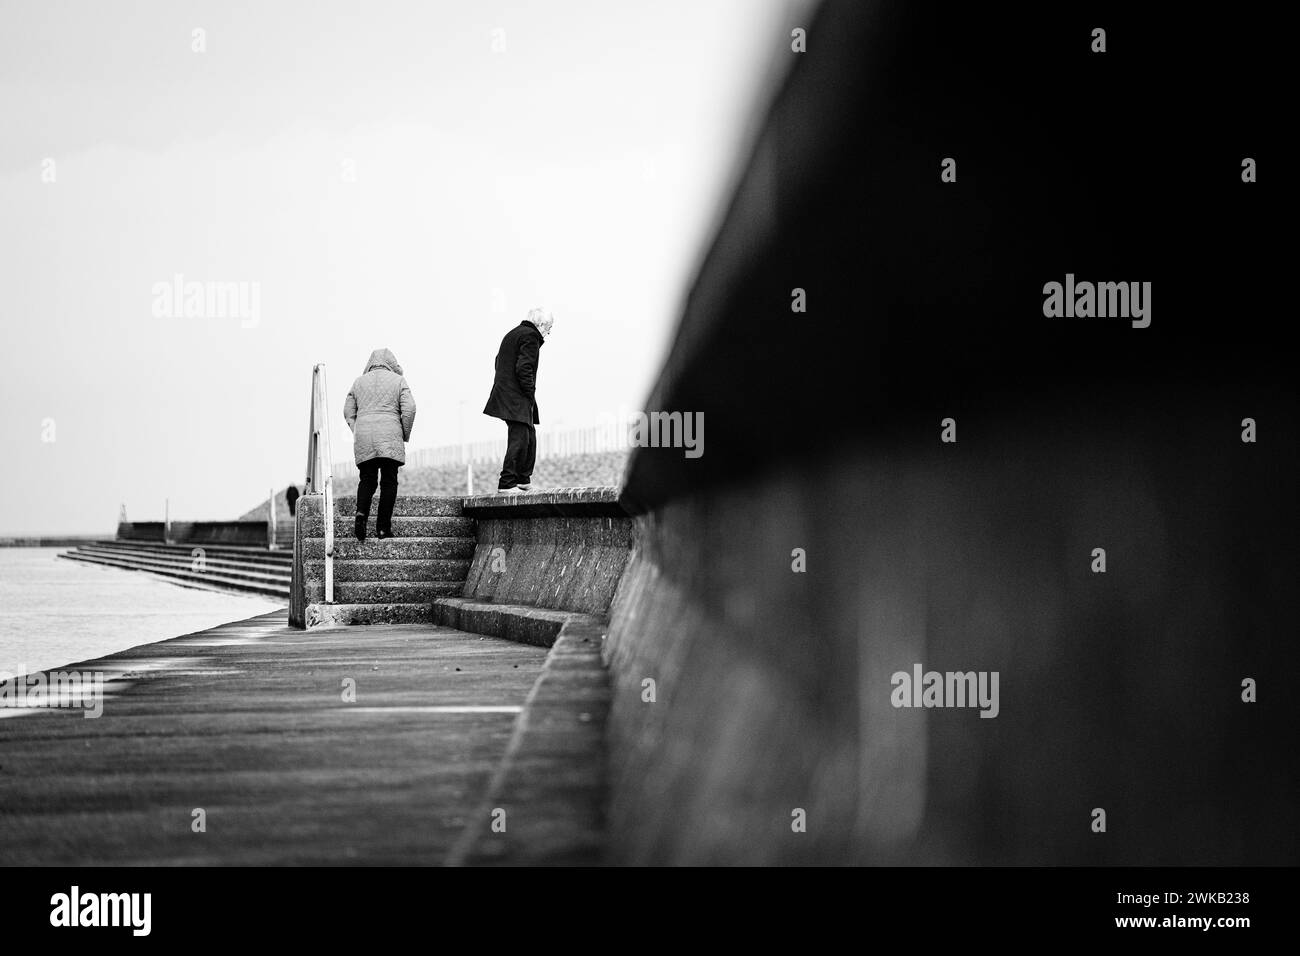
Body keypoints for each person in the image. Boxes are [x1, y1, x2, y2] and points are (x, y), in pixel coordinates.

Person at [344, 348, 416, 541]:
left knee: (367, 479)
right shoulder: (398, 381)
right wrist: (403, 433)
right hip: (390, 434)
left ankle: (361, 513)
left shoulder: (358, 383)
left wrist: (358, 430)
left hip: (365, 436)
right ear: (391, 364)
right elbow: (410, 408)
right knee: (389, 481)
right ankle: (383, 528)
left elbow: (347, 411)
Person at [483, 308, 553, 494]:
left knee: (528, 434)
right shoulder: (531, 336)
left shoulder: (513, 334)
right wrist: (529, 393)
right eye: (549, 328)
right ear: (541, 325)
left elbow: (498, 360)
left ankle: (522, 479)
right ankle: (507, 482)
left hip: (507, 393)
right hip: (517, 395)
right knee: (520, 437)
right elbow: (524, 367)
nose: (548, 333)